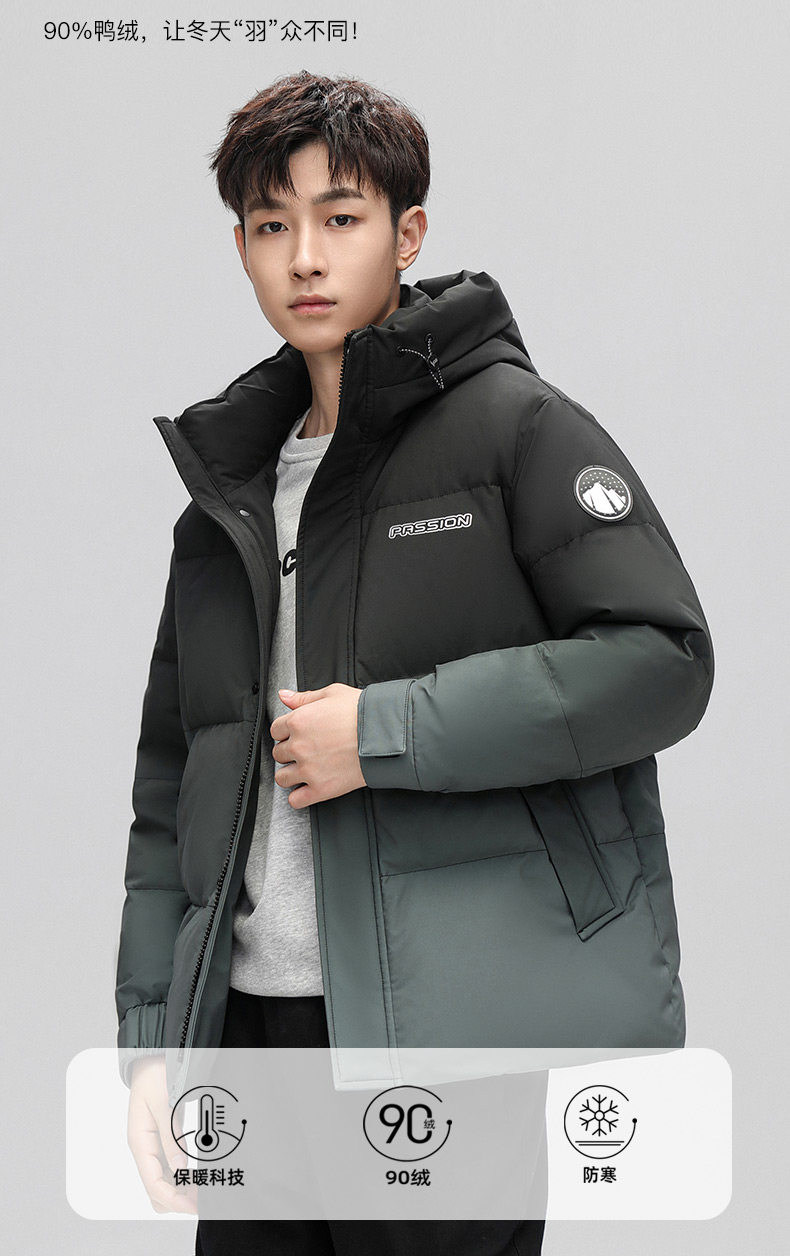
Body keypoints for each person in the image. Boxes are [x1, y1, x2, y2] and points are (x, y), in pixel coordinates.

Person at [116, 70, 714, 1253]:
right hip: (250, 1040)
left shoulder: (515, 427)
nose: (304, 257)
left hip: (443, 1033)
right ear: (241, 248)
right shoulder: (225, 503)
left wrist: (382, 732)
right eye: (271, 225)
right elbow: (169, 790)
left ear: (407, 233)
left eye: (340, 217)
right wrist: (151, 1042)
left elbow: (661, 660)